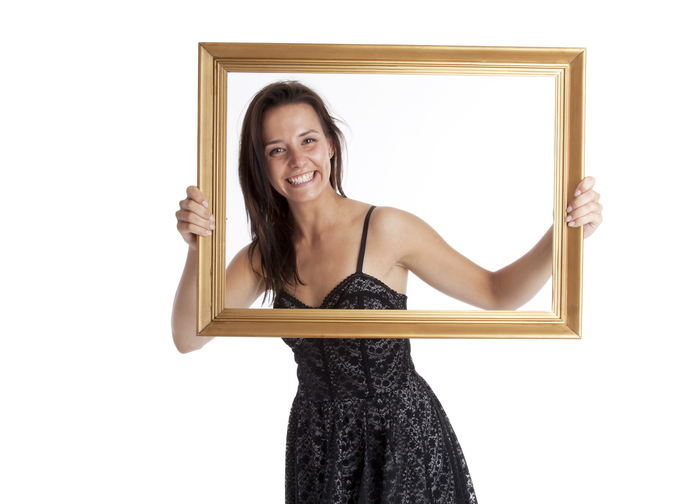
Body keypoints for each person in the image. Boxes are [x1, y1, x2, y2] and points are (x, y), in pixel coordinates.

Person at [172, 81, 603, 503]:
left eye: (308, 140)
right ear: (261, 163)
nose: (297, 159)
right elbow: (189, 337)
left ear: (330, 144)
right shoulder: (265, 257)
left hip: (401, 439)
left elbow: (496, 293)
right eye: (277, 149)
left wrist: (562, 235)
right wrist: (197, 248)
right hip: (317, 446)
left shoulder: (386, 229)